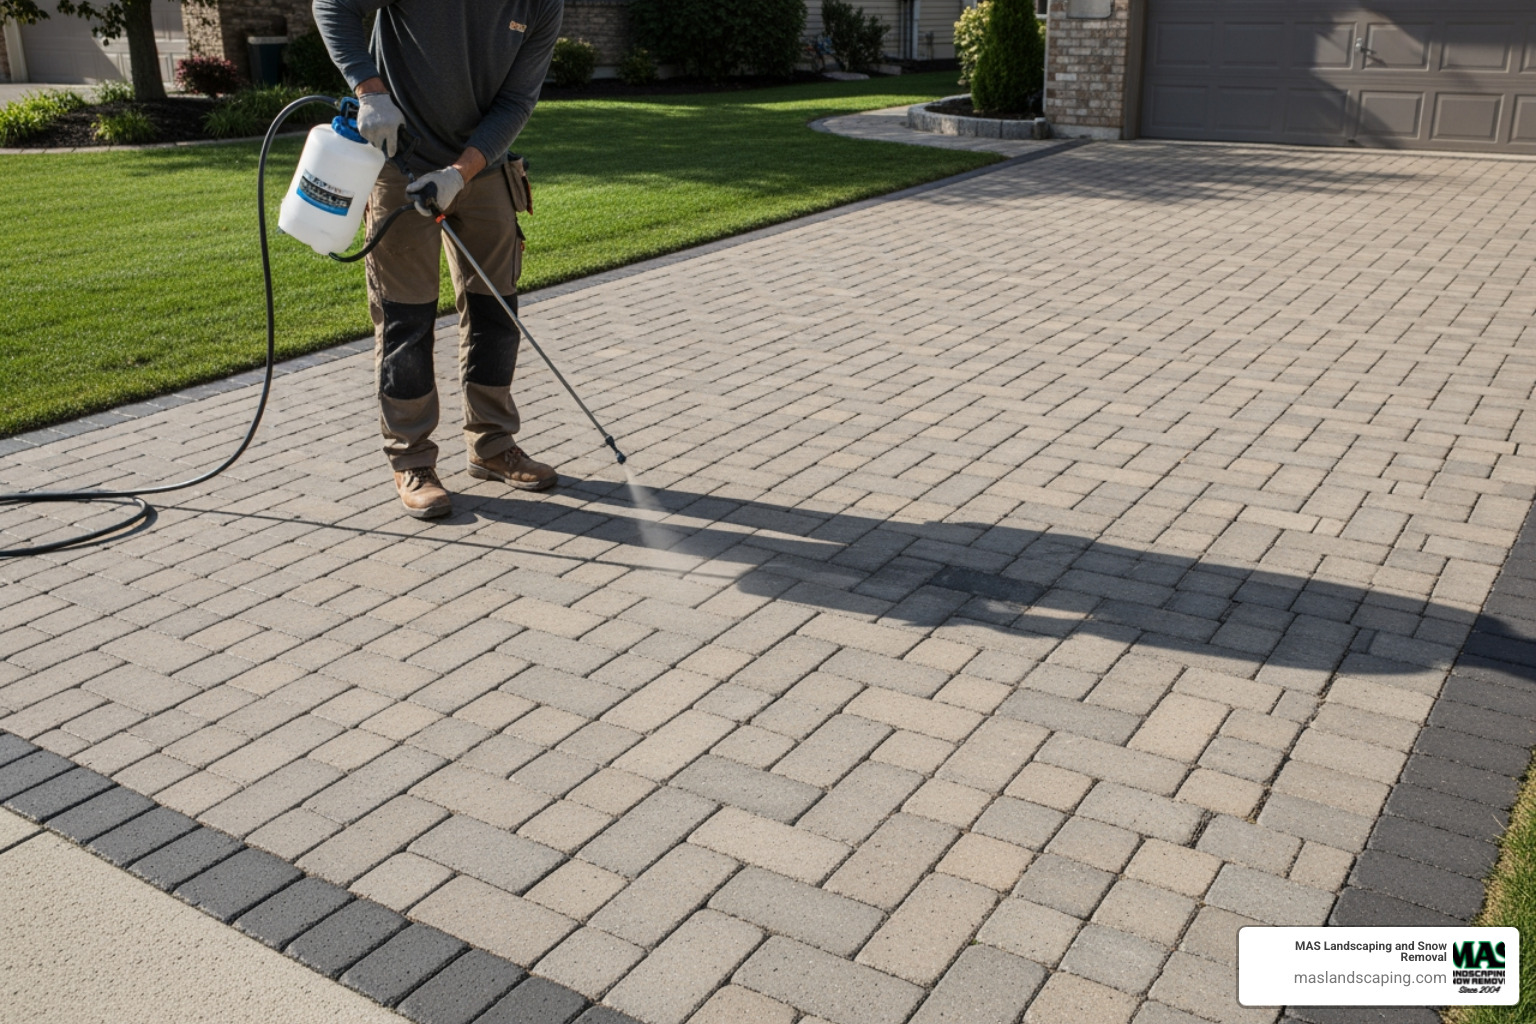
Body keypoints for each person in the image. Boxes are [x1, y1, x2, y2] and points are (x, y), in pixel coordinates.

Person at [313, 0, 564, 518]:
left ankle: (493, 446)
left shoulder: (542, 4)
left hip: (483, 168)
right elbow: (332, 5)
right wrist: (370, 91)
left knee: (496, 312)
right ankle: (412, 459)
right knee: (407, 318)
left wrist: (460, 173)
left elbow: (516, 100)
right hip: (398, 163)